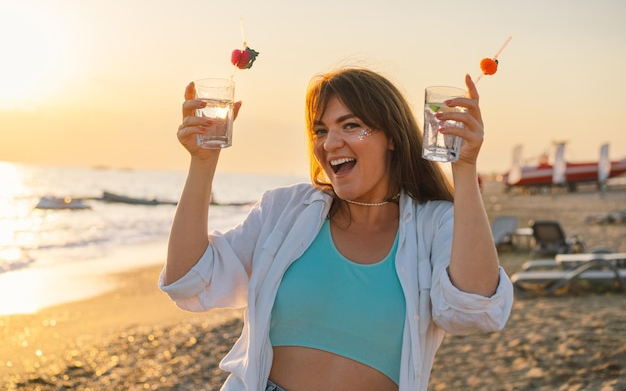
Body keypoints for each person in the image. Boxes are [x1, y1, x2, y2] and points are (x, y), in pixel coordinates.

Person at [160, 67, 514, 391]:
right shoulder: (286, 210)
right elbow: (188, 280)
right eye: (320, 130)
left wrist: (464, 168)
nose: (329, 144)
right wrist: (202, 164)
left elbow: (475, 311)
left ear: (392, 136)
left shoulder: (435, 223)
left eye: (350, 125)